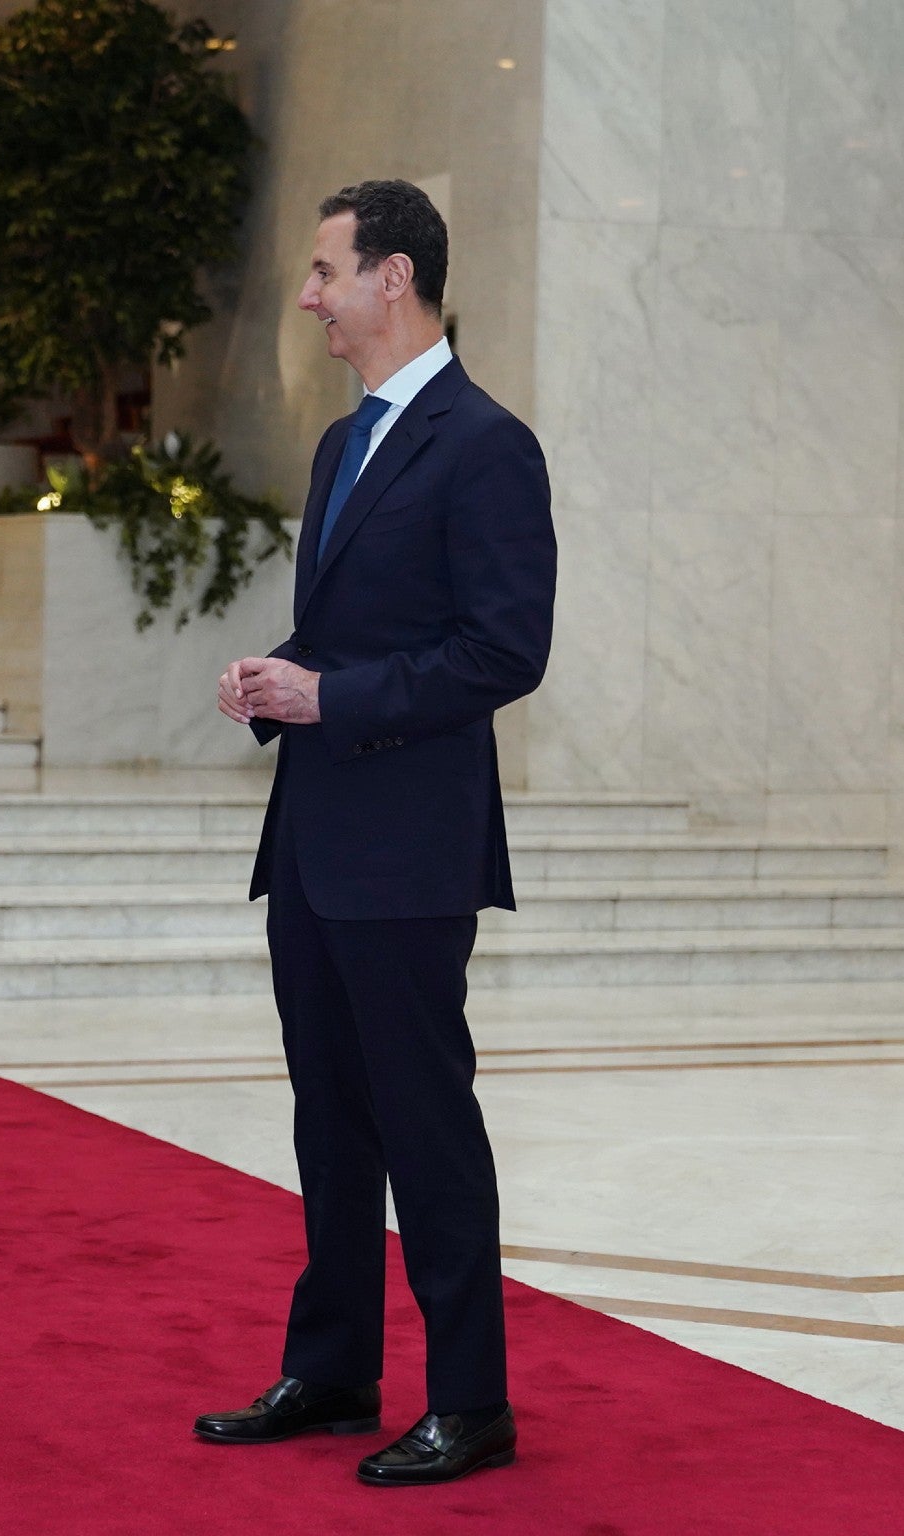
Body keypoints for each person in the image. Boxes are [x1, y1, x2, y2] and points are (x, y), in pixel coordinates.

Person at [201, 180, 555, 1487]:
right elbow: (351, 634)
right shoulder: (343, 443)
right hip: (314, 837)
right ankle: (335, 1367)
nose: (308, 296)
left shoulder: (486, 444)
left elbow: (504, 651)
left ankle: (472, 1402)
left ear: (391, 277)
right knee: (329, 1118)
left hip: (409, 848)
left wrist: (331, 698)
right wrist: (276, 677)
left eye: (323, 271)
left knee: (424, 1121)